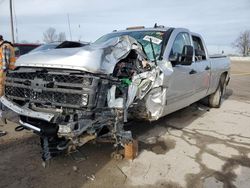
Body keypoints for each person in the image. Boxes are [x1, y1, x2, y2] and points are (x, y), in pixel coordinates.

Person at [0, 35, 16, 136]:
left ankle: (3, 114)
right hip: (4, 77)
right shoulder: (6, 46)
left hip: (2, 76)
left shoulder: (4, 47)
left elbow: (4, 65)